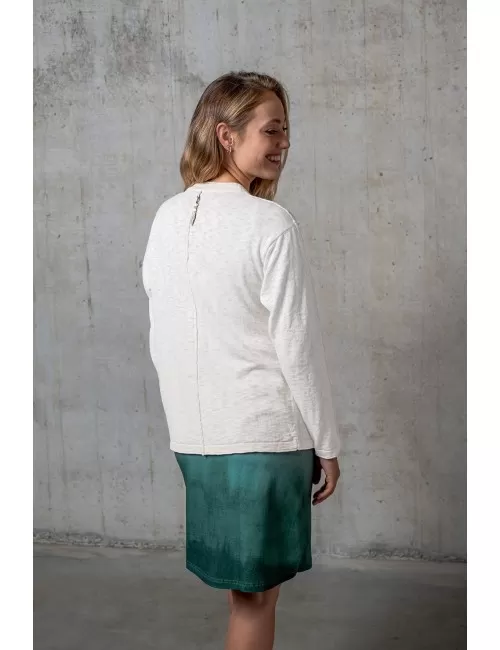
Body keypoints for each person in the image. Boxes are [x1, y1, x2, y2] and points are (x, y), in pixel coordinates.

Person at [142, 71, 341, 650]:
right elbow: (297, 343)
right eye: (271, 130)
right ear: (226, 135)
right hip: (263, 437)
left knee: (244, 595)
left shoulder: (166, 217)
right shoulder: (270, 223)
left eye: (287, 131)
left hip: (196, 439)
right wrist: (327, 442)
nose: (284, 143)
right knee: (257, 600)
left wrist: (185, 420)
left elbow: (163, 332)